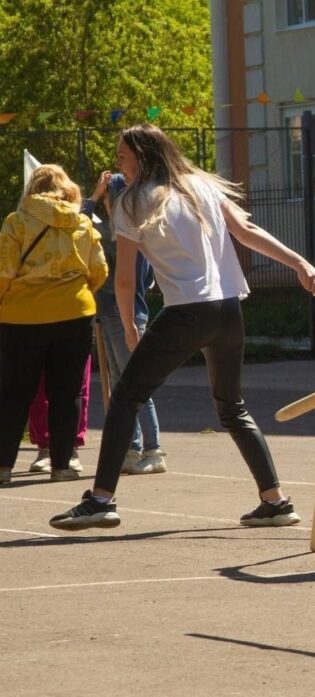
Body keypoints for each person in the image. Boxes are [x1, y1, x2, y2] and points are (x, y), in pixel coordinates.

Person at [49, 123, 315, 529]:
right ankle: (276, 501)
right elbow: (248, 232)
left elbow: (124, 279)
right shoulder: (201, 185)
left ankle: (102, 499)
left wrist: (128, 327)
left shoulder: (131, 202)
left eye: (122, 156)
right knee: (232, 407)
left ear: (141, 157)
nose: (117, 163)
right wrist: (299, 262)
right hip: (228, 310)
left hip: (187, 313)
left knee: (125, 398)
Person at [0, 164, 108, 485]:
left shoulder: (16, 222)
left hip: (22, 316)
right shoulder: (81, 222)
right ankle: (63, 464)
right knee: (67, 391)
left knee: (15, 393)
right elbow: (99, 270)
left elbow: (4, 271)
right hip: (74, 314)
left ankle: (3, 467)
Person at [90, 170, 168, 475]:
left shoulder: (119, 231)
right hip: (118, 310)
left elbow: (80, 223)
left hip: (123, 312)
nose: (105, 203)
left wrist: (93, 198)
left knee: (134, 384)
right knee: (124, 386)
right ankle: (133, 448)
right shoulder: (130, 228)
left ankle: (153, 449)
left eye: (108, 197)